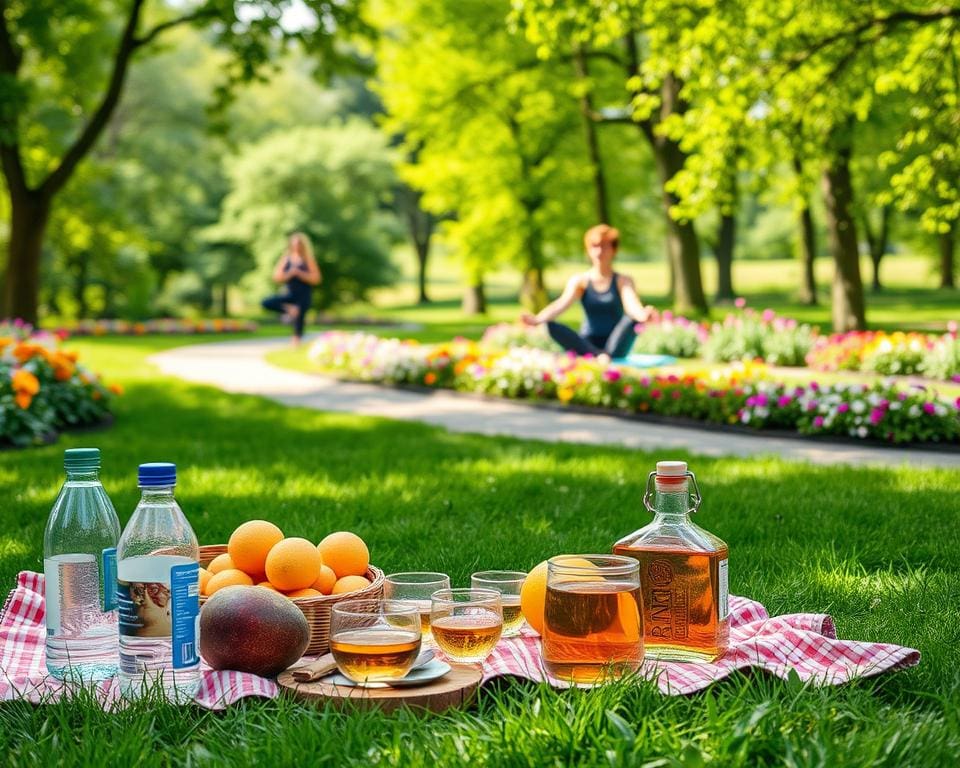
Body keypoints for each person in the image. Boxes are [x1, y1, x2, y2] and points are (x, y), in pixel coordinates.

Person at [521, 224, 654, 358]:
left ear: (614, 250)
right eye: (595, 246)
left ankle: (604, 356)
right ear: (588, 250)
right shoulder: (580, 281)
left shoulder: (623, 280)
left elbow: (632, 304)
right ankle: (598, 355)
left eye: (604, 246)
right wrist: (537, 320)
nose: (599, 251)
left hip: (616, 344)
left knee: (631, 320)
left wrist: (643, 315)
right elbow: (561, 304)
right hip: (587, 344)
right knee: (549, 324)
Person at [262, 232, 321, 345]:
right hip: (289, 294)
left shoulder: (308, 260)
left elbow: (316, 278)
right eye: (294, 244)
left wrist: (300, 273)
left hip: (303, 294)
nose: (297, 247)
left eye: (299, 244)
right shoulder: (286, 259)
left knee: (299, 319)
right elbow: (277, 277)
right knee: (267, 302)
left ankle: (295, 343)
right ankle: (289, 310)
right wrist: (290, 273)